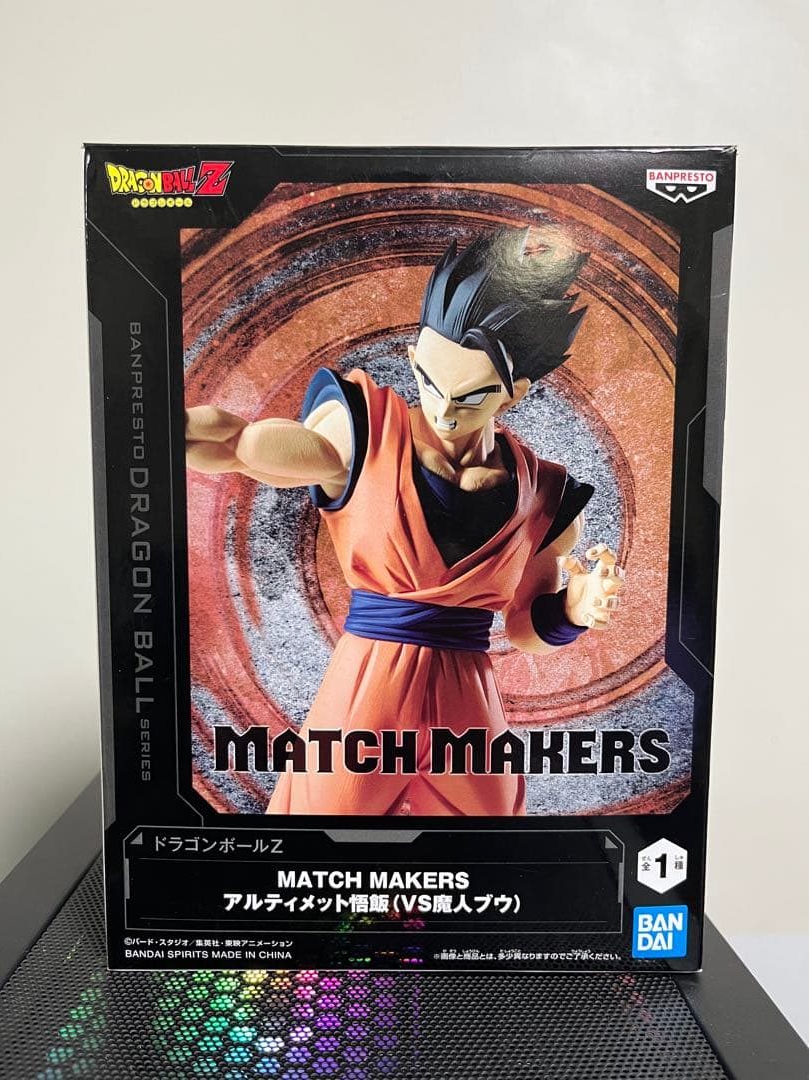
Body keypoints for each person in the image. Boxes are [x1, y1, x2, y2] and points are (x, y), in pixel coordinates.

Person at [186, 226, 625, 816]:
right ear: (415, 357)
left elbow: (524, 630)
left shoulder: (544, 492)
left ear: (514, 392)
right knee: (321, 841)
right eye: (430, 381)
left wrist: (573, 609)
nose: (443, 408)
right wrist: (152, 424)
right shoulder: (362, 434)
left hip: (469, 702)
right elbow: (238, 444)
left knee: (488, 851)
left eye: (471, 395)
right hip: (366, 688)